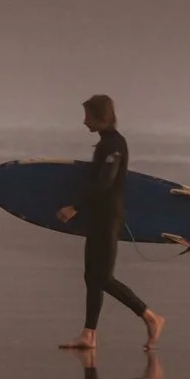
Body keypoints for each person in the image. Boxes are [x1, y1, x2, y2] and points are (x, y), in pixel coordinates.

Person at [57, 94, 166, 352]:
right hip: (98, 218)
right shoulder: (105, 143)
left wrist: (75, 206)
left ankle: (151, 317)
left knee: (103, 277)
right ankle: (88, 335)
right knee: (91, 277)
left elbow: (105, 182)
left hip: (108, 218)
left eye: (88, 116)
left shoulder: (115, 145)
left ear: (100, 116)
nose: (84, 122)